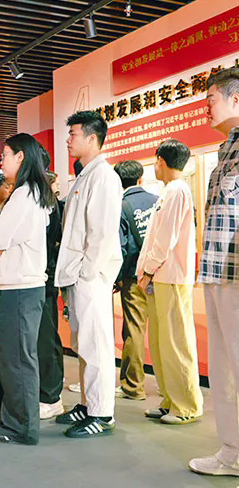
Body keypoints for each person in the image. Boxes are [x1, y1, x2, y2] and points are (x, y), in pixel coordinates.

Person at [0, 133, 52, 444]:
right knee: (9, 358)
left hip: (19, 288)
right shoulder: (29, 192)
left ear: (20, 157)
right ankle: (8, 420)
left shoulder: (25, 195)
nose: (1, 162)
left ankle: (21, 426)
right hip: (16, 287)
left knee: (17, 360)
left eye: (5, 156)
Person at [54, 110, 123, 438]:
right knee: (83, 344)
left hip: (90, 276)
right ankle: (87, 403)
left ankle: (101, 413)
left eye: (74, 134)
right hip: (78, 274)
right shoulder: (85, 175)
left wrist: (87, 272)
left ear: (92, 138)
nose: (68, 140)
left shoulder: (104, 176)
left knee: (96, 345)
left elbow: (102, 233)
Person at [190, 66, 239, 476]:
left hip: (236, 274)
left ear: (235, 98)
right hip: (217, 271)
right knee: (223, 369)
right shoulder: (226, 150)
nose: (206, 107)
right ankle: (231, 451)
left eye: (211, 99)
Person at [136, 139, 203, 426]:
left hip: (171, 277)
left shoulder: (177, 191)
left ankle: (185, 405)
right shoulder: (171, 191)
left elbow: (165, 239)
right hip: (162, 277)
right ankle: (170, 400)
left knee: (176, 342)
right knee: (162, 343)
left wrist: (148, 269)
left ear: (161, 161)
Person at [113, 160, 157, 401]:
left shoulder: (121, 206)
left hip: (134, 277)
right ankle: (167, 386)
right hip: (161, 275)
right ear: (141, 178)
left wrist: (118, 278)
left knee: (134, 330)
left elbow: (121, 246)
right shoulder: (158, 201)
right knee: (164, 331)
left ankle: (133, 386)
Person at [38, 149, 65, 421]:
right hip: (37, 277)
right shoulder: (37, 198)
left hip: (43, 277)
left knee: (45, 337)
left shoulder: (46, 201)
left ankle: (51, 396)